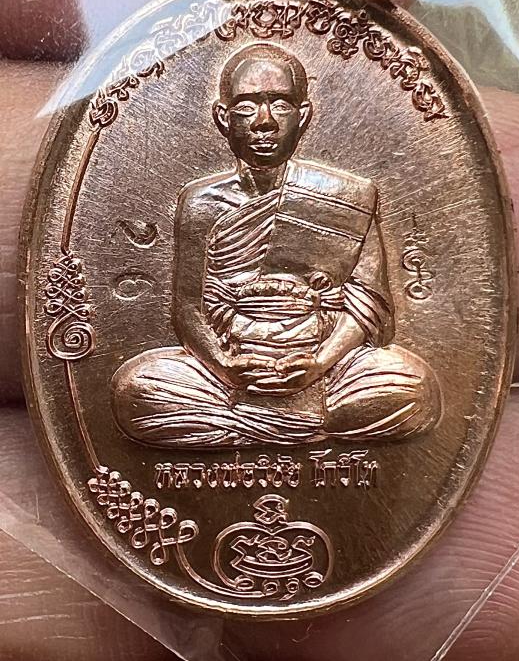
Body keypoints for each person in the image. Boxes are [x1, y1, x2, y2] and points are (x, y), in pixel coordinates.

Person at [112, 42, 441, 447]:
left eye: (281, 105)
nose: (264, 122)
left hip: (324, 368)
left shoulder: (348, 197)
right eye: (247, 106)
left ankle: (249, 424)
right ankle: (300, 426)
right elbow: (187, 310)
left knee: (417, 389)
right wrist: (225, 365)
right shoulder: (200, 203)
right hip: (229, 371)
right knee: (135, 390)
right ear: (223, 118)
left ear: (303, 116)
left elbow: (366, 304)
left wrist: (318, 363)